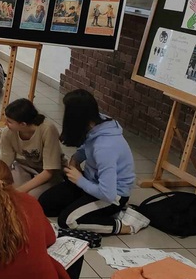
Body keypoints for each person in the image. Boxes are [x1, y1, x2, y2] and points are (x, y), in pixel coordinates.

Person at [38, 90, 147, 235]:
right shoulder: (97, 122)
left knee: (67, 221)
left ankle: (125, 226)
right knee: (45, 204)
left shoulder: (104, 148)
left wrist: (79, 180)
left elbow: (108, 194)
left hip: (113, 196)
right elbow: (87, 145)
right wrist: (76, 158)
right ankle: (90, 211)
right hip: (91, 182)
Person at [0, 98, 63, 197]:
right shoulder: (7, 133)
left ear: (23, 124)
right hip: (26, 167)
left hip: (49, 173)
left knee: (31, 196)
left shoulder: (47, 129)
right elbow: (5, 163)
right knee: (9, 190)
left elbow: (49, 171)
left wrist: (20, 190)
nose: (5, 124)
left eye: (9, 121)